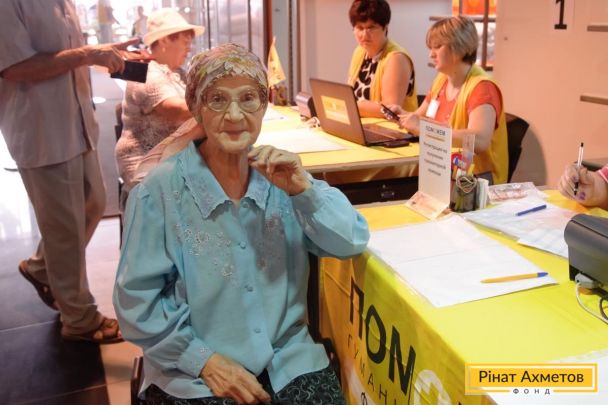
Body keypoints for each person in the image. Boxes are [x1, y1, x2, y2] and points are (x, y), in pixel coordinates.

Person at [113, 43, 370, 404]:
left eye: (248, 98)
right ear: (196, 107)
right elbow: (136, 303)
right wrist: (202, 360)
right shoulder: (160, 193)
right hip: (196, 372)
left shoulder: (282, 177)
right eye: (217, 99)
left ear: (264, 105)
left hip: (288, 361)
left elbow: (351, 240)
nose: (234, 114)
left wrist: (305, 192)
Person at [0, 0, 141, 343]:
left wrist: (106, 53)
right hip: (42, 129)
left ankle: (41, 267)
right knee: (64, 228)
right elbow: (15, 67)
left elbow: (65, 53)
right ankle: (79, 318)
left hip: (77, 123)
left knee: (93, 203)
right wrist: (88, 54)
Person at [388, 16, 508, 185]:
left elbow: (479, 141)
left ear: (460, 47)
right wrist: (404, 117)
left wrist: (423, 128)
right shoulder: (442, 80)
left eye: (437, 47)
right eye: (431, 47)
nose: (431, 54)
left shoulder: (482, 88)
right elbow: (421, 118)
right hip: (441, 170)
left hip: (473, 183)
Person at [115, 8, 204, 210]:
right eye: (185, 42)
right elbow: (177, 109)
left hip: (173, 159)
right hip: (147, 165)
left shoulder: (178, 73)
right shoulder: (146, 72)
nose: (189, 48)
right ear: (164, 40)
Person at [348, 0, 418, 118]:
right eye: (360, 28)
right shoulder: (359, 51)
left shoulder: (397, 58)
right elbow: (350, 95)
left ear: (385, 27)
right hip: (363, 124)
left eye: (371, 28)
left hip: (392, 128)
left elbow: (390, 110)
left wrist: (351, 106)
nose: (364, 35)